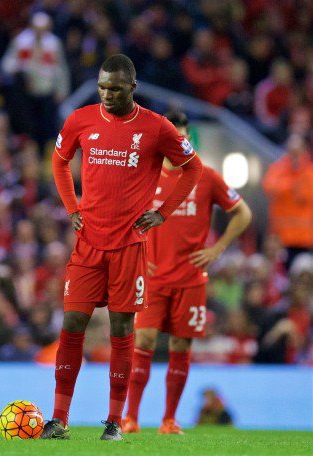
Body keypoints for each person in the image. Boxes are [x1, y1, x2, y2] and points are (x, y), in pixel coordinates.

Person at [42, 54, 203, 441]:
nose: (107, 95)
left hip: (129, 246)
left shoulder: (156, 127)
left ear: (132, 87)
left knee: (121, 328)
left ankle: (114, 421)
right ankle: (59, 418)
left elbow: (192, 167)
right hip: (87, 244)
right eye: (102, 87)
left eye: (114, 89)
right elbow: (59, 161)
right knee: (72, 324)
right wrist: (71, 207)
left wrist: (163, 213)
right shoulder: (81, 119)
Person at [122, 111, 252, 435]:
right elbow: (121, 216)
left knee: (181, 347)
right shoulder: (145, 175)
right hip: (152, 277)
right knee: (145, 339)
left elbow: (243, 213)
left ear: (189, 140)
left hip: (191, 278)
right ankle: (131, 418)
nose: (178, 145)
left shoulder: (206, 177)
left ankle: (169, 420)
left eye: (183, 139)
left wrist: (217, 250)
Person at [262, 133, 313, 270]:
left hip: (304, 238)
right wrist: (293, 185)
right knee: (279, 276)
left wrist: (289, 185)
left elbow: (307, 194)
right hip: (279, 237)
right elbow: (269, 187)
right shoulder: (277, 168)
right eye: (291, 145)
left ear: (305, 148)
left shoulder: (309, 171)